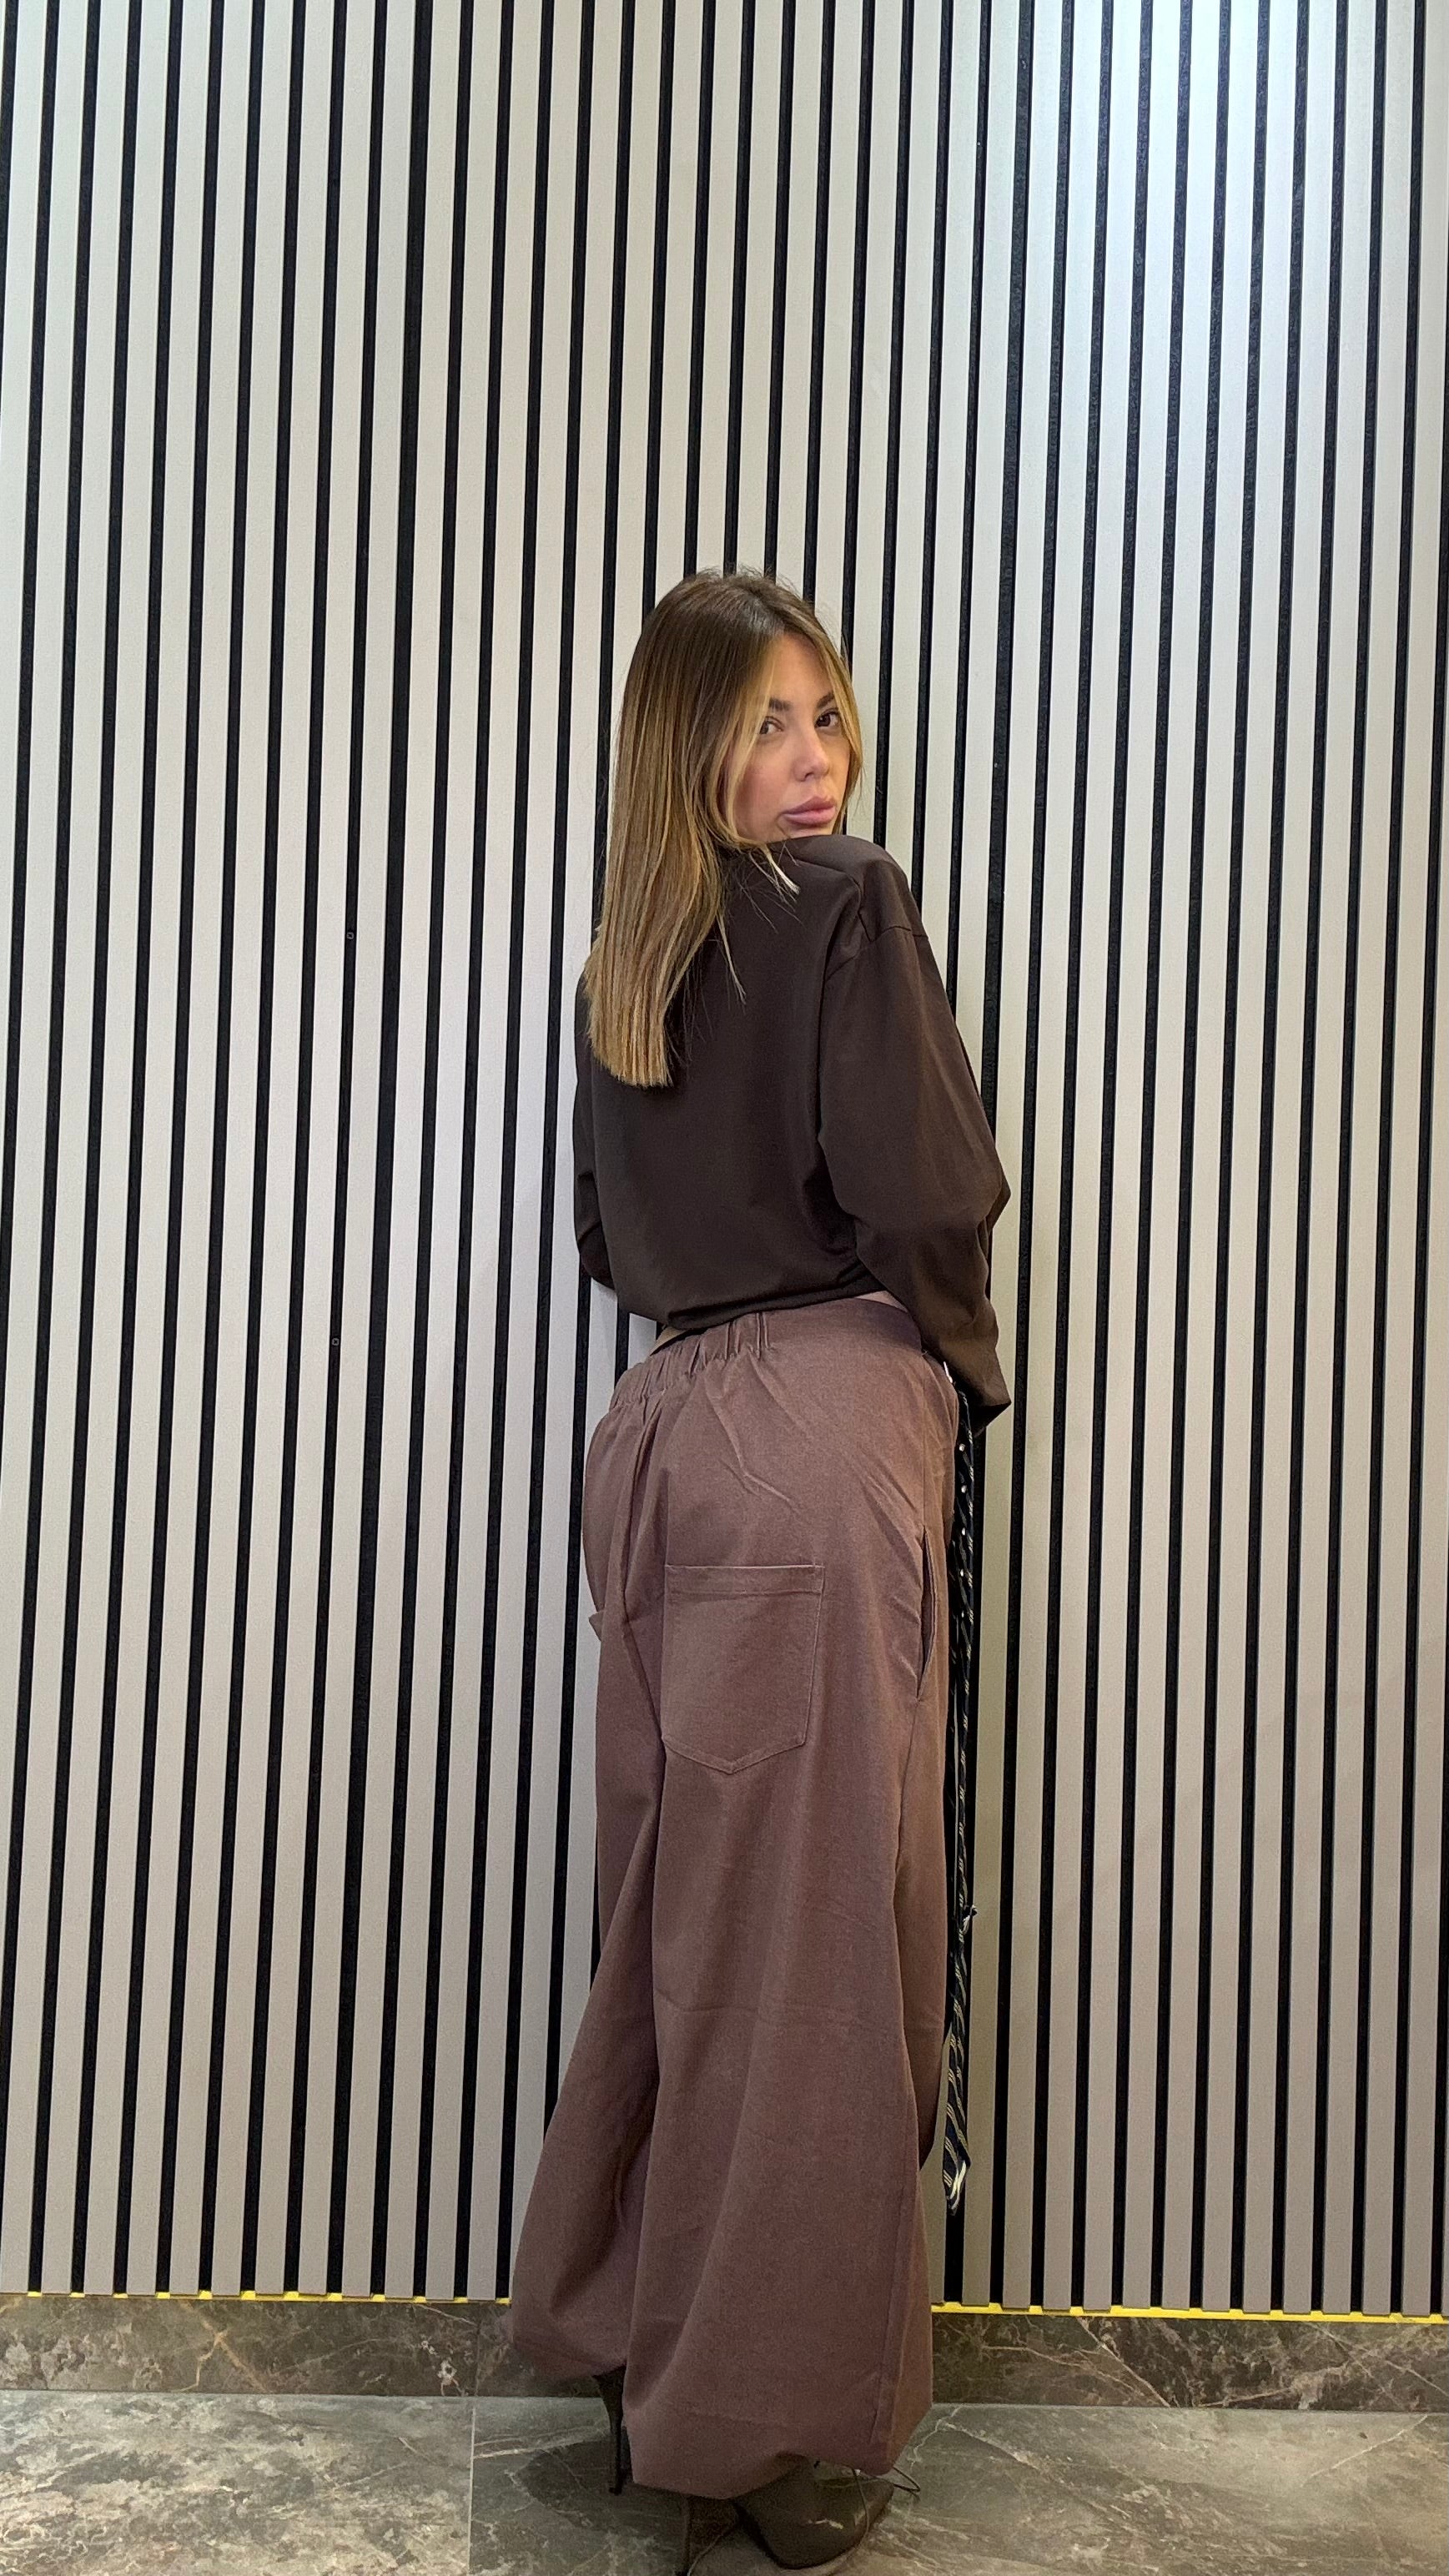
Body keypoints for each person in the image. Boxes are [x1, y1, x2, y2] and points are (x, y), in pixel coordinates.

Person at [504, 568, 1012, 2572]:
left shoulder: (619, 966)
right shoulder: (848, 904)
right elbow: (930, 1184)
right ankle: (773, 2427)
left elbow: (602, 1239)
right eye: (769, 721)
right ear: (686, 744)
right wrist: (952, 1366)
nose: (816, 761)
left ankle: (650, 2365)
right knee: (818, 1948)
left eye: (828, 716)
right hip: (810, 1431)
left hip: (654, 1444)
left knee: (683, 1917)